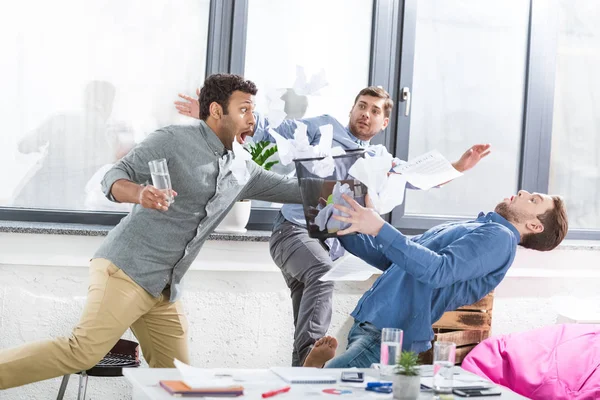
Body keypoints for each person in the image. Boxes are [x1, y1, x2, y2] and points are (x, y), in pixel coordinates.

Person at [0, 74, 303, 390]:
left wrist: (345, 185)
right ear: (216, 111)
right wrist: (139, 193)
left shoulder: (241, 169)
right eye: (244, 110)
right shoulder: (173, 140)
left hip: (163, 291)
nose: (252, 120)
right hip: (126, 270)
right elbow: (114, 176)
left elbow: (296, 189)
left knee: (176, 382)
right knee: (82, 351)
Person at [175, 86, 491, 366]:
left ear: (384, 123)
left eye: (375, 111)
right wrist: (210, 114)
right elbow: (276, 130)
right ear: (352, 110)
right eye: (362, 106)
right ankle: (312, 361)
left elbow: (418, 178)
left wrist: (460, 166)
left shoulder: (380, 158)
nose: (366, 114)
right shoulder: (325, 126)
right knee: (321, 274)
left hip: (330, 244)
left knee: (307, 316)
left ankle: (304, 380)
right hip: (294, 232)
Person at [301, 189, 569, 368]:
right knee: (329, 390)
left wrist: (380, 226)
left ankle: (312, 373)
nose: (523, 192)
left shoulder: (500, 238)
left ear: (535, 226)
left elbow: (439, 271)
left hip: (390, 334)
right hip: (372, 319)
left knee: (316, 390)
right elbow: (391, 257)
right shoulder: (476, 227)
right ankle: (314, 373)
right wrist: (343, 227)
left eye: (533, 200)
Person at [15, 80, 119, 209]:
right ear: (108, 104)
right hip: (74, 205)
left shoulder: (61, 119)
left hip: (38, 198)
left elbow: (24, 145)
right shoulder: (110, 134)